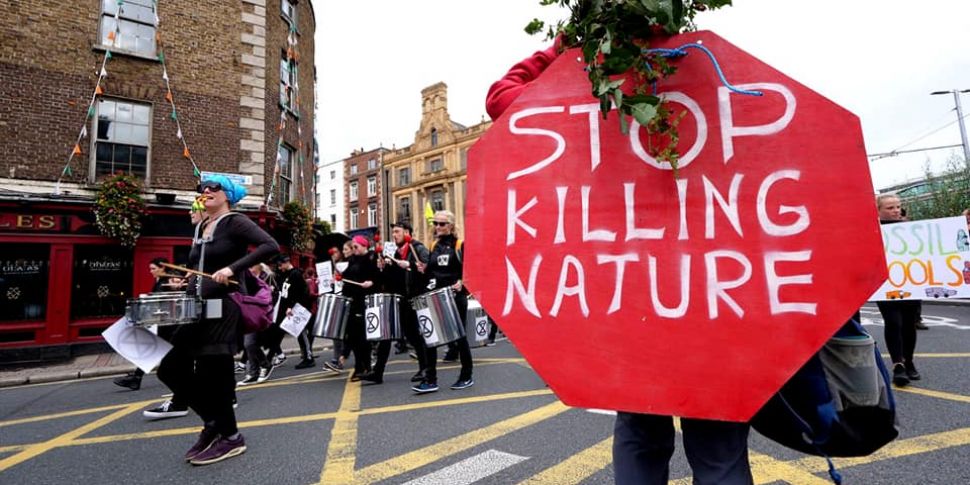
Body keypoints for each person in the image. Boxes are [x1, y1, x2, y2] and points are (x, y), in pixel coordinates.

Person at [485, 41, 755, 484]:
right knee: (718, 444)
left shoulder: (590, 86)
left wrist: (563, 48)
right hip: (712, 293)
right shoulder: (701, 66)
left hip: (631, 297)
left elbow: (502, 98)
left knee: (639, 429)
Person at [156, 175, 278, 465]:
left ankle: (231, 437)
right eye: (202, 188)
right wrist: (186, 279)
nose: (206, 191)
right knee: (170, 368)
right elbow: (200, 265)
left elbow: (269, 246)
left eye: (214, 187)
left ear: (228, 195)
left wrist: (232, 269)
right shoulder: (201, 226)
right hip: (197, 307)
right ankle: (214, 423)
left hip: (223, 308)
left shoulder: (234, 221)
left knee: (216, 375)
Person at [359, 221, 430, 385]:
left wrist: (410, 265)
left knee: (414, 335)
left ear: (407, 232)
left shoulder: (417, 249)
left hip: (414, 297)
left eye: (397, 232)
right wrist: (383, 268)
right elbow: (391, 279)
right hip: (398, 298)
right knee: (386, 335)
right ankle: (377, 373)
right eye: (393, 233)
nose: (394, 235)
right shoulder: (395, 253)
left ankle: (424, 367)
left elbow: (427, 269)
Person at [412, 210, 474, 394]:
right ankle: (431, 380)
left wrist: (462, 282)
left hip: (455, 297)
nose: (437, 227)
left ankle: (466, 375)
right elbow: (431, 272)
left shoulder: (460, 245)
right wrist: (423, 269)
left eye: (442, 224)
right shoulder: (433, 245)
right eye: (436, 223)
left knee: (460, 338)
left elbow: (471, 271)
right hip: (436, 296)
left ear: (451, 226)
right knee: (429, 336)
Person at [875, 194, 922, 386]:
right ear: (878, 211)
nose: (895, 211)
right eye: (890, 208)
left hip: (910, 281)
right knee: (893, 322)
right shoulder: (873, 231)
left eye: (898, 207)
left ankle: (909, 360)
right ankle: (898, 365)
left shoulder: (912, 228)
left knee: (909, 323)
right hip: (886, 284)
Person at [113, 257, 178, 392]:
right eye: (150, 269)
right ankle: (136, 378)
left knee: (156, 351)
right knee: (154, 350)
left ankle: (136, 378)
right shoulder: (160, 281)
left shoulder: (168, 281)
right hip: (162, 323)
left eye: (153, 268)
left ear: (163, 268)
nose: (151, 271)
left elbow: (165, 300)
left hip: (169, 325)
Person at [335, 235, 378, 381]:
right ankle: (360, 365)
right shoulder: (352, 260)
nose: (354, 250)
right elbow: (347, 277)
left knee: (361, 337)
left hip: (363, 301)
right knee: (353, 337)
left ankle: (364, 366)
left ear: (364, 246)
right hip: (352, 301)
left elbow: (377, 277)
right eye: (352, 247)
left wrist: (371, 283)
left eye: (356, 247)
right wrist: (338, 277)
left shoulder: (370, 259)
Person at [275, 254, 316, 370]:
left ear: (287, 262)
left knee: (302, 333)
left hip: (298, 309)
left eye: (280, 265)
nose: (279, 267)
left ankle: (309, 358)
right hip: (290, 309)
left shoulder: (295, 274)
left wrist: (291, 306)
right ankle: (306, 356)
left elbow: (300, 293)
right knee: (299, 334)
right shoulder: (286, 274)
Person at [237, 263, 276, 386]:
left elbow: (274, 295)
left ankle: (265, 365)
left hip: (260, 314)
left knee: (249, 343)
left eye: (251, 265)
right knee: (249, 344)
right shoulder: (247, 277)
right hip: (249, 312)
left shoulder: (267, 277)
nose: (249, 268)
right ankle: (253, 373)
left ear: (258, 265)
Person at [324, 242, 352, 372]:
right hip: (339, 299)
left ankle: (370, 356)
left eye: (345, 249)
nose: (344, 251)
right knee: (336, 332)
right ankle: (336, 360)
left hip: (350, 300)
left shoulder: (350, 264)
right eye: (343, 249)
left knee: (353, 333)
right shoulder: (337, 266)